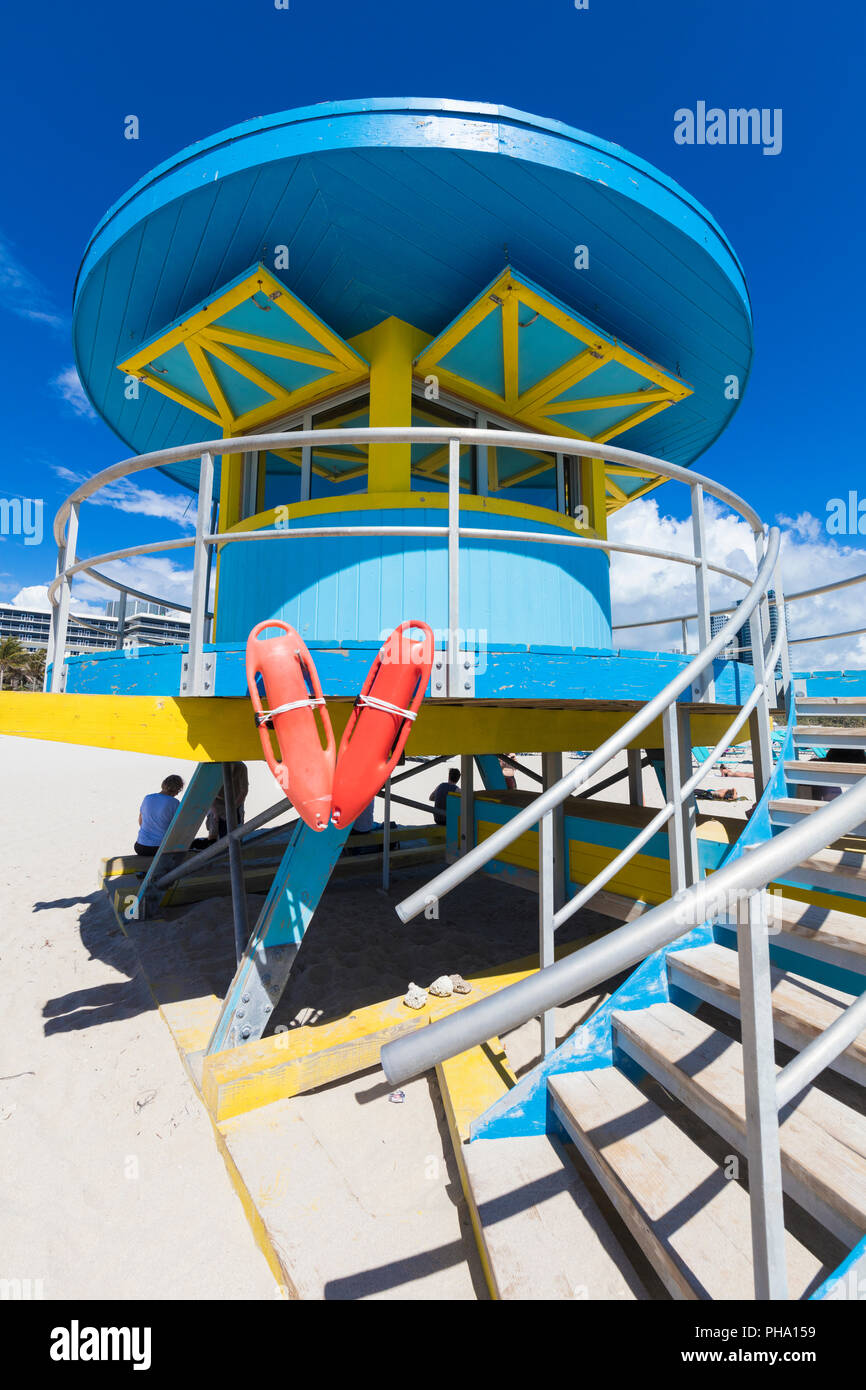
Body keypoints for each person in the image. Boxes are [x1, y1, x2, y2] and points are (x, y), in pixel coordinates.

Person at [135, 775, 184, 856]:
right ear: (178, 790)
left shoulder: (148, 798)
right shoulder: (174, 803)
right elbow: (178, 828)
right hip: (159, 848)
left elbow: (141, 822)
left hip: (140, 846)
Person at [207, 762, 249, 841]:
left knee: (236, 825)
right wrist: (215, 812)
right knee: (215, 824)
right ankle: (215, 846)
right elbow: (208, 794)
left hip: (236, 799)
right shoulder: (212, 767)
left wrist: (232, 808)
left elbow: (244, 791)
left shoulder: (241, 767)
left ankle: (236, 845)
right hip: (216, 800)